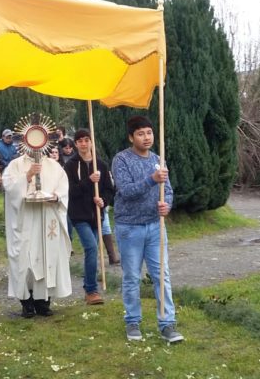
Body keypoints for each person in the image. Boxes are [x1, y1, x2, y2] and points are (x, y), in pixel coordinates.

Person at [112, 115, 184, 343]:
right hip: (129, 227)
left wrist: (167, 205)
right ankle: (132, 321)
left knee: (161, 275)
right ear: (131, 137)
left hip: (155, 226)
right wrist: (152, 180)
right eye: (141, 133)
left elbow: (169, 190)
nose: (146, 137)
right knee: (132, 276)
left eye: (149, 133)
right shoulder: (121, 159)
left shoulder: (158, 159)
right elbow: (125, 191)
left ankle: (167, 324)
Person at [2, 146, 72, 318]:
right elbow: (9, 188)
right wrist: (27, 176)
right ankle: (26, 303)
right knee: (24, 260)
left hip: (47, 219)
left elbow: (63, 187)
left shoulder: (54, 166)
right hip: (25, 220)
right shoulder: (15, 165)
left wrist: (56, 196)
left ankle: (44, 302)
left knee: (47, 258)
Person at [64, 128, 115, 305]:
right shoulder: (70, 165)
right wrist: (89, 181)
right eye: (80, 141)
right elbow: (69, 191)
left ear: (91, 142)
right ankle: (92, 290)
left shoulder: (101, 165)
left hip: (97, 215)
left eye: (87, 140)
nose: (84, 144)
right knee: (92, 248)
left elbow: (109, 189)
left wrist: (104, 201)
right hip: (78, 215)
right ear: (76, 144)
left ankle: (88, 287)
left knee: (92, 252)